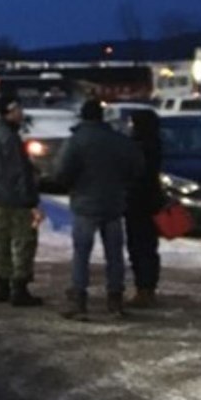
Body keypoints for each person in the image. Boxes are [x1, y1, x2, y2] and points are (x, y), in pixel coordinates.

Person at [57, 98, 143, 320]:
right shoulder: (119, 141)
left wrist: (73, 186)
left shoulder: (76, 141)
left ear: (83, 116)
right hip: (113, 203)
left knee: (81, 254)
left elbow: (62, 172)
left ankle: (79, 301)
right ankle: (115, 300)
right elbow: (136, 168)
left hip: (85, 204)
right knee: (114, 255)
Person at [0, 95, 45, 306]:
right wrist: (31, 202)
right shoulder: (9, 137)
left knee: (1, 241)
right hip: (15, 199)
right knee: (24, 242)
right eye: (18, 109)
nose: (21, 113)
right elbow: (19, 173)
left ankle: (3, 285)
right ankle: (20, 288)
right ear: (9, 111)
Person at [126, 109, 165, 307]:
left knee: (138, 246)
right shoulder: (154, 144)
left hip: (137, 203)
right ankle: (148, 288)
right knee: (149, 247)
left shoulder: (138, 147)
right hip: (150, 202)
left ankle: (143, 289)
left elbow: (135, 174)